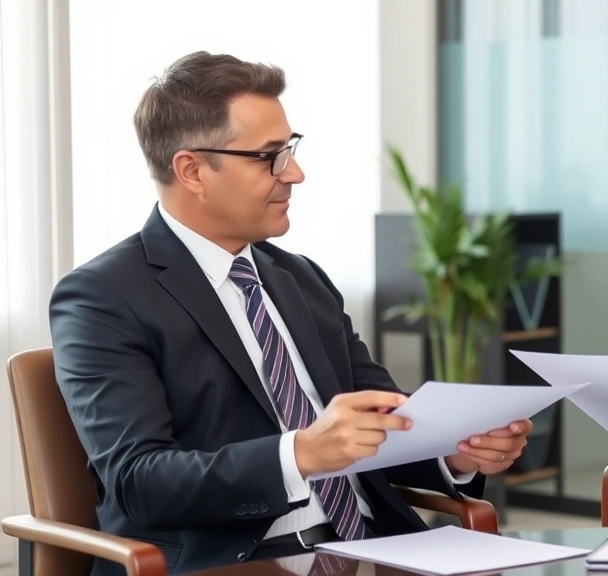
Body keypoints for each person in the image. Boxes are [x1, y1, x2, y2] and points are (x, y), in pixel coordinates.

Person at [50, 51, 532, 576]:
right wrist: (300, 453)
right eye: (269, 157)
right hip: (237, 563)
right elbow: (140, 482)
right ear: (192, 171)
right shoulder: (102, 297)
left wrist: (457, 453)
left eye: (290, 149)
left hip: (372, 548)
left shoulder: (300, 278)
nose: (295, 173)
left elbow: (382, 422)